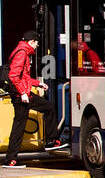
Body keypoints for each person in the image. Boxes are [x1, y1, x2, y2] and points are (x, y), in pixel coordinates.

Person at [4, 30, 64, 165]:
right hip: (22, 96)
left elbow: (24, 77)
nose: (37, 46)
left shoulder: (21, 51)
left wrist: (38, 84)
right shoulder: (22, 53)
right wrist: (23, 93)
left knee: (19, 125)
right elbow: (14, 76)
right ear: (31, 41)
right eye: (37, 43)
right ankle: (51, 141)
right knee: (48, 108)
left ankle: (11, 159)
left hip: (22, 94)